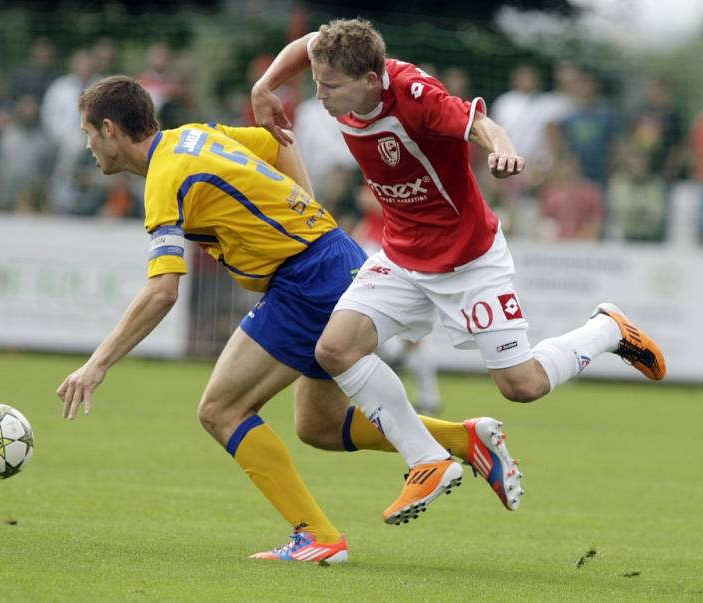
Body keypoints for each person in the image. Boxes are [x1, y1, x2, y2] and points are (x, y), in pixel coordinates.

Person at [57, 76, 523, 565]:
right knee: (318, 424)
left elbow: (162, 291)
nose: (88, 145)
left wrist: (97, 363)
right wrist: (307, 209)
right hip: (326, 259)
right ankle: (464, 439)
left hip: (304, 280)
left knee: (221, 409)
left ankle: (316, 535)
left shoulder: (163, 178)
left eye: (88, 132)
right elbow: (279, 142)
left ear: (110, 129)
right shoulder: (194, 135)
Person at [251, 18, 666, 525]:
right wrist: (266, 84)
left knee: (523, 386)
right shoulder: (340, 61)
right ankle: (427, 460)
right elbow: (307, 43)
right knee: (334, 349)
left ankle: (607, 329)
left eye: (331, 86)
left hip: (469, 260)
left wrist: (505, 150)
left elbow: (480, 126)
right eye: (316, 82)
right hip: (402, 256)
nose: (320, 94)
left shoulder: (417, 95)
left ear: (369, 78)